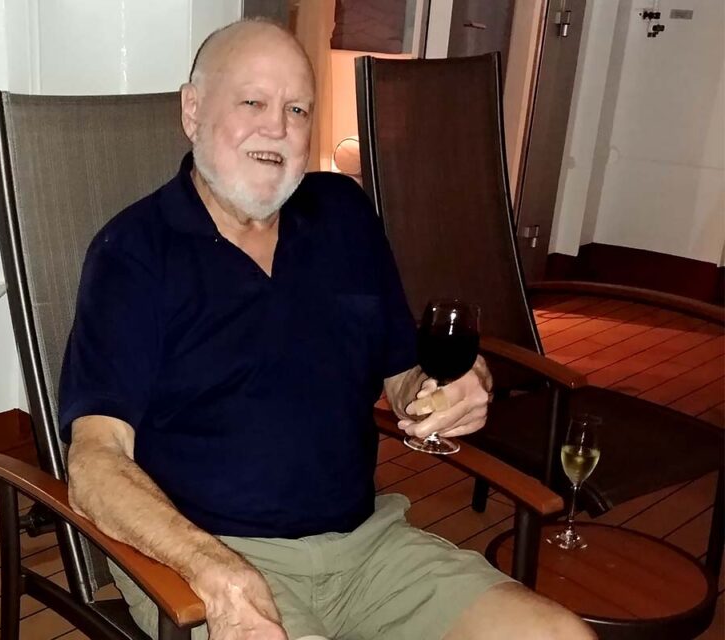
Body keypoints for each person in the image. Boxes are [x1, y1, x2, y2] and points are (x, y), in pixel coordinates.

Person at [59, 18, 595, 640]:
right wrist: (214, 570)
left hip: (370, 550)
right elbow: (94, 464)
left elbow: (404, 375)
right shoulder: (133, 254)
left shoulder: (343, 214)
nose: (277, 127)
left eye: (297, 109)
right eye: (253, 102)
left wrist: (450, 388)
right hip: (207, 557)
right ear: (193, 109)